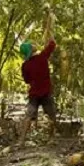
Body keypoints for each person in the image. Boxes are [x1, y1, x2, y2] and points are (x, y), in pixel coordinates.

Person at [20, 8, 57, 140]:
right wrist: (50, 31)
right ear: (32, 50)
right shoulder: (42, 58)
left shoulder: (25, 65)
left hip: (34, 94)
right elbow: (52, 44)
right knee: (52, 116)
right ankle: (52, 139)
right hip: (46, 92)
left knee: (28, 117)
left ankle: (21, 140)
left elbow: (27, 80)